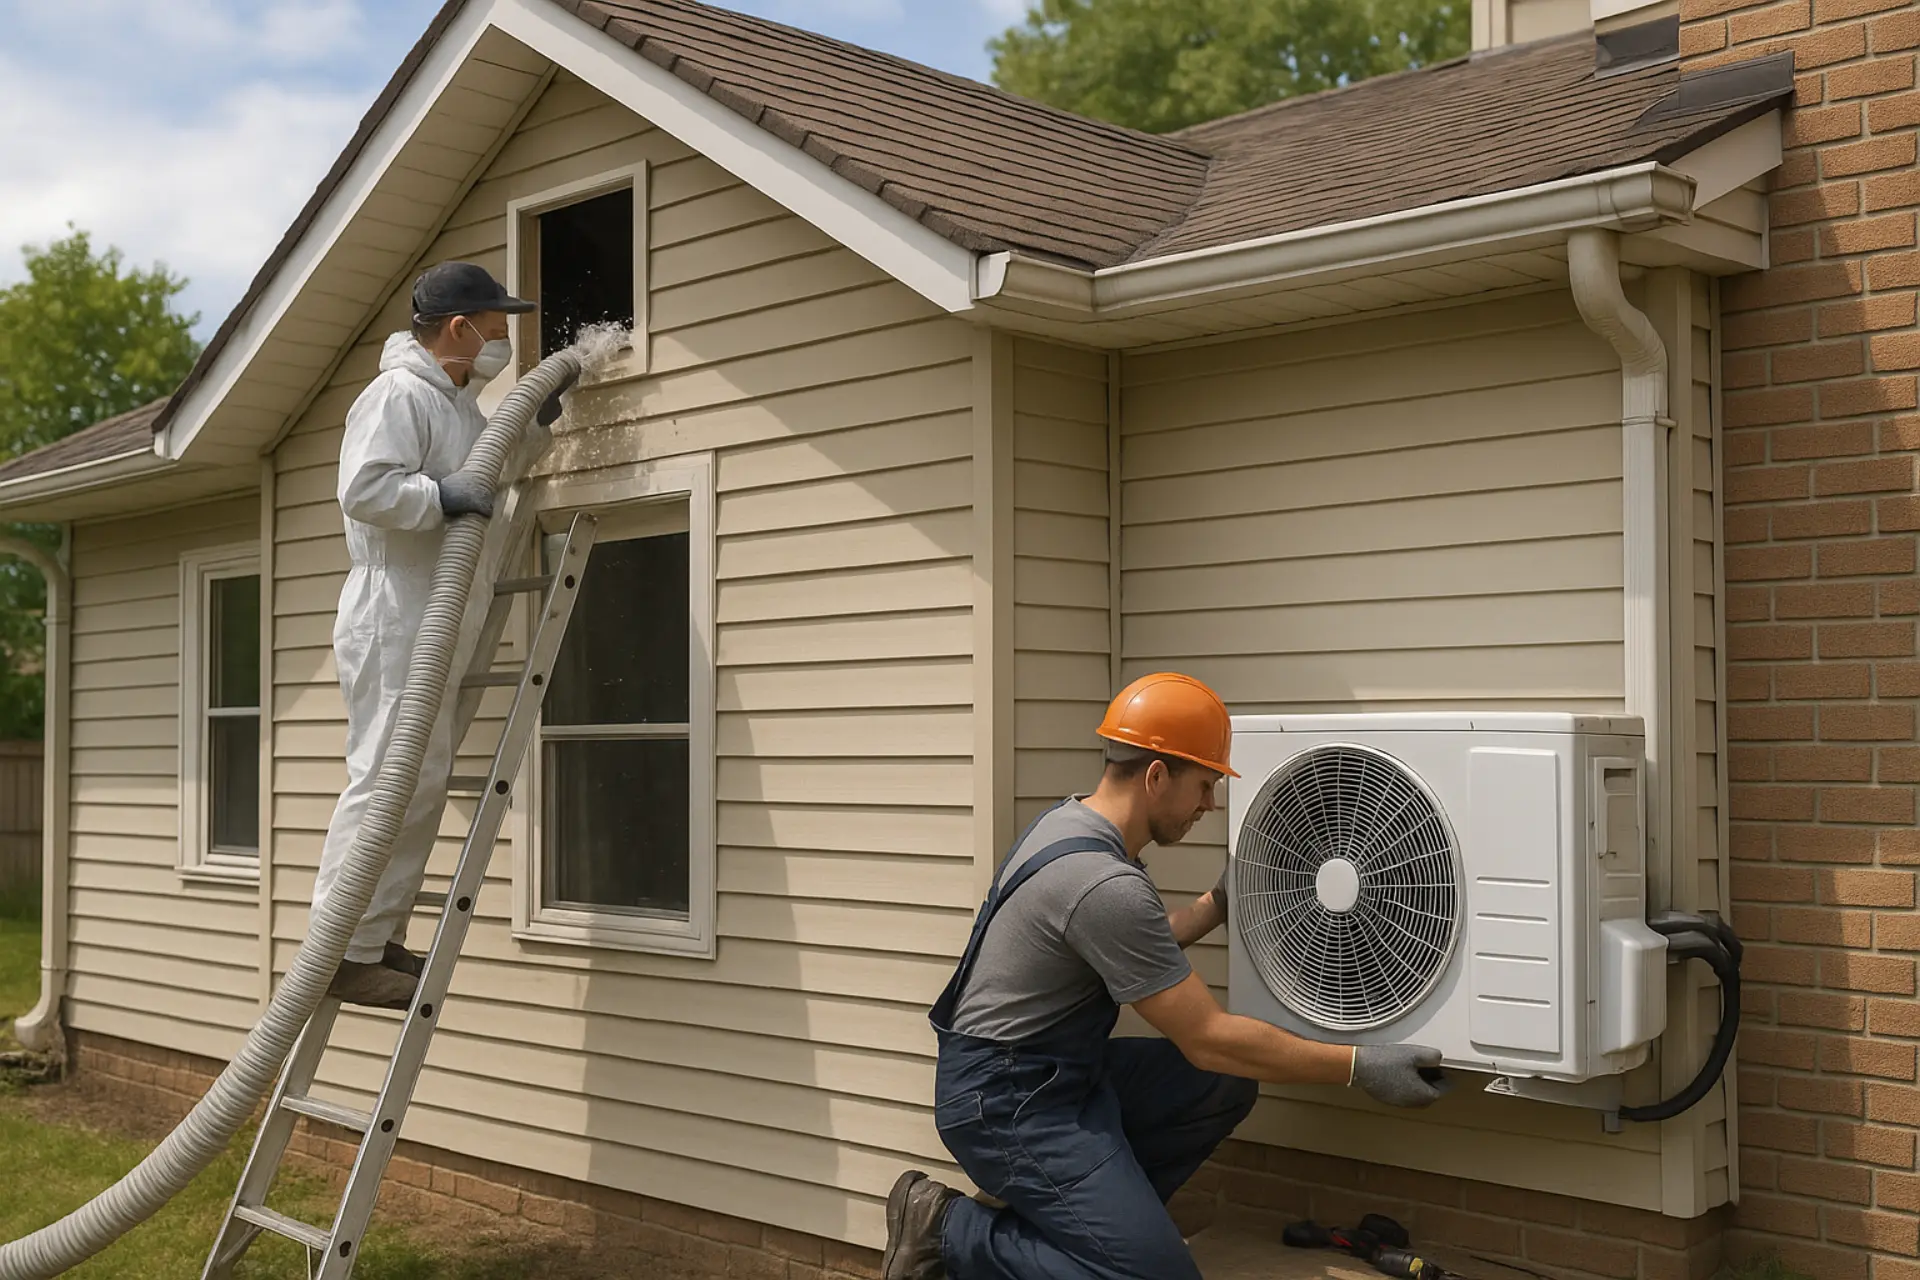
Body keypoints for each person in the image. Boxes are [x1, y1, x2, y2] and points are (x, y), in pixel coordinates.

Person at [881, 672, 1451, 1280]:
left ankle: (1100, 1233)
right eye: (1205, 784)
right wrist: (1360, 1065)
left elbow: (1134, 945)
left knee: (1223, 1085)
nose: (1211, 804)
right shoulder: (1102, 883)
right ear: (1156, 776)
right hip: (1006, 1099)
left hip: (1054, 1071)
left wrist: (1219, 902)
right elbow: (1208, 1038)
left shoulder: (1072, 825)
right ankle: (947, 1229)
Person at [310, 261, 572, 1010]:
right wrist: (437, 497)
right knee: (385, 777)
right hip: (396, 607)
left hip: (439, 608)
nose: (502, 341)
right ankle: (338, 951)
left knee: (419, 781)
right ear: (458, 328)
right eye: (494, 327)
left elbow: (488, 470)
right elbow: (365, 489)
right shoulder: (398, 394)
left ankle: (375, 937)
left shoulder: (458, 405)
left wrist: (534, 428)